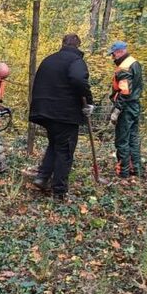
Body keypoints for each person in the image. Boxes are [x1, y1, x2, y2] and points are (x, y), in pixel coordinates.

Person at [28, 33, 93, 199]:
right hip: (64, 114)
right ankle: (59, 191)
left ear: (63, 43)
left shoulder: (48, 60)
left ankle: (42, 177)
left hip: (44, 111)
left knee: (55, 144)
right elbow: (78, 79)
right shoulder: (76, 61)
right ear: (78, 45)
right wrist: (88, 102)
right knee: (65, 150)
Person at [107, 40, 144, 177]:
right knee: (133, 138)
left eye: (113, 54)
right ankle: (136, 169)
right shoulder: (135, 63)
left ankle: (123, 172)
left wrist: (117, 110)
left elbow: (124, 91)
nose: (113, 57)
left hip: (126, 108)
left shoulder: (124, 68)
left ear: (119, 52)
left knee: (122, 140)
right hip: (135, 105)